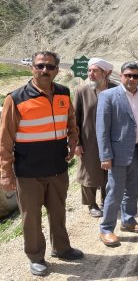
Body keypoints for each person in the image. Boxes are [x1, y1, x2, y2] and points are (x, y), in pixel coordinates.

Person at [0, 51, 83, 276]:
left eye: (49, 67)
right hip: (28, 172)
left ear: (57, 70)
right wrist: (6, 173)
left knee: (58, 212)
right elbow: (5, 139)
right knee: (31, 218)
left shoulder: (64, 94)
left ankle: (62, 248)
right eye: (40, 66)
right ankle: (36, 257)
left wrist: (72, 140)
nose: (44, 70)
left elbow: (71, 122)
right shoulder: (15, 98)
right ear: (32, 68)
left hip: (57, 168)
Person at [96, 61, 138, 247]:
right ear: (121, 76)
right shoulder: (108, 96)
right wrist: (105, 155)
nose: (131, 79)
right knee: (115, 192)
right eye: (128, 75)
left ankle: (128, 220)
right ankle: (106, 229)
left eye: (135, 76)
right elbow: (102, 128)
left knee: (133, 190)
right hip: (117, 153)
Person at [73, 58, 116, 218]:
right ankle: (91, 204)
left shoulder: (114, 89)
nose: (91, 74)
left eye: (95, 71)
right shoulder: (82, 91)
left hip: (110, 140)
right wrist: (76, 143)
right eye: (89, 71)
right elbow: (74, 118)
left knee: (108, 172)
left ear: (105, 73)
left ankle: (107, 201)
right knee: (88, 173)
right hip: (89, 140)